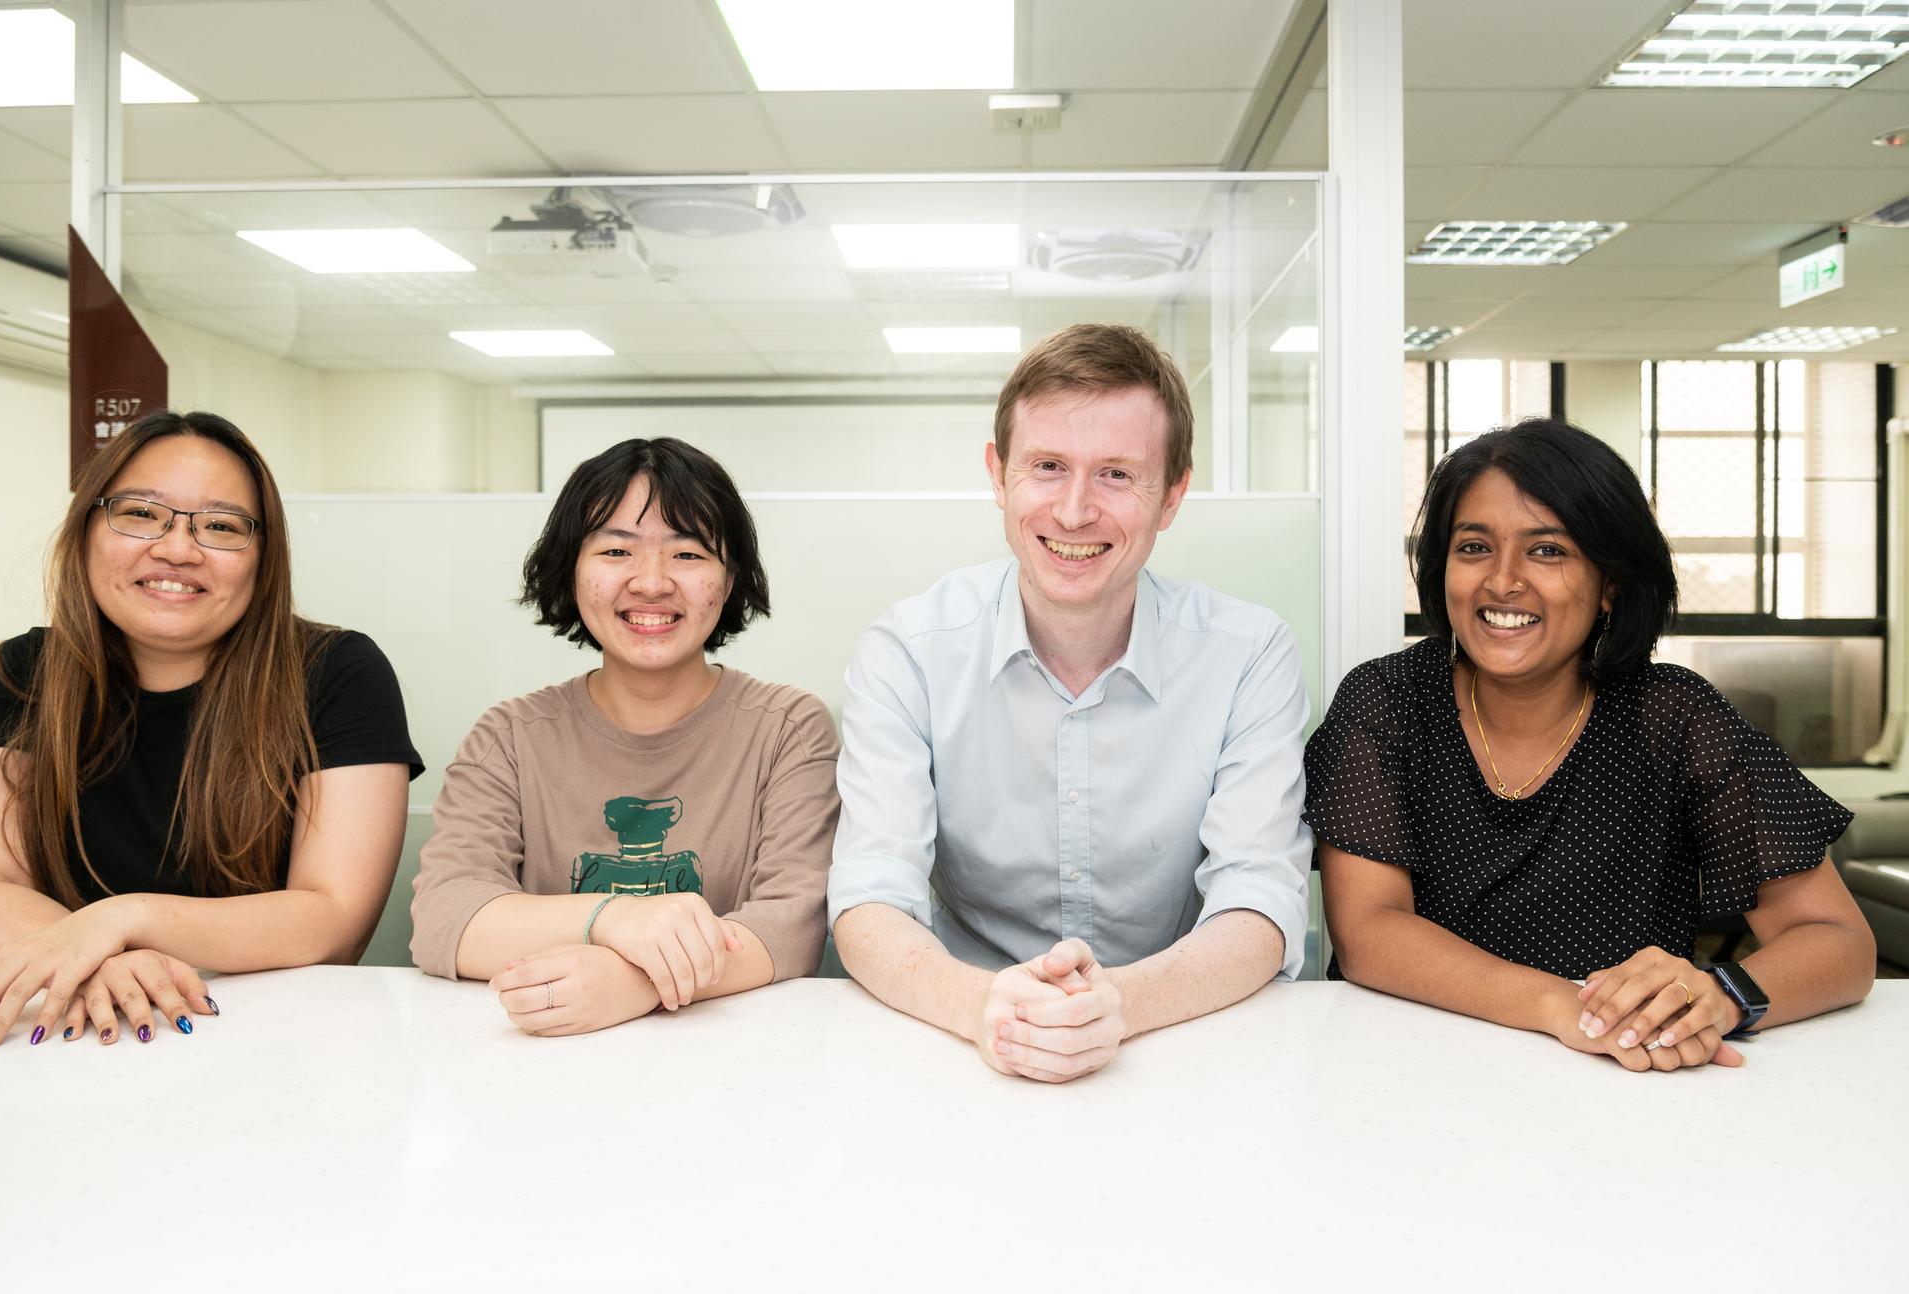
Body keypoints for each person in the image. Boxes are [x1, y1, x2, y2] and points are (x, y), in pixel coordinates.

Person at [1304, 417, 1874, 1072]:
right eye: (1473, 548)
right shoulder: (1387, 700)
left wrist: (1719, 994)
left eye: (1546, 550)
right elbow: (1367, 933)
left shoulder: (1674, 718)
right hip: (1408, 1068)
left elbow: (1836, 941)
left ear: (1608, 583)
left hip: (1622, 1078)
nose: (1502, 581)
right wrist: (1561, 1007)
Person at [828, 324, 1312, 1084]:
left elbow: (1259, 898)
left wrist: (1116, 1003)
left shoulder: (1248, 654)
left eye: (1117, 474)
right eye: (1047, 467)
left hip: (1182, 1040)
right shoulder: (909, 651)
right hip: (958, 1037)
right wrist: (987, 1006)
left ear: (1173, 495)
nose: (1076, 510)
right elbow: (869, 896)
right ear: (998, 475)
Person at [0, 411, 421, 1055]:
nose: (177, 549)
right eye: (139, 513)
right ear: (85, 530)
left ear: (264, 557)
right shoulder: (22, 672)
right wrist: (96, 958)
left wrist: (121, 921)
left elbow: (331, 918)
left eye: (221, 526)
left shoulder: (338, 672)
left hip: (265, 1039)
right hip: (70, 1033)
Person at [410, 437, 837, 1035]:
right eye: (616, 550)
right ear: (571, 568)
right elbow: (445, 919)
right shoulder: (508, 737)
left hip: (731, 1061)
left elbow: (790, 929)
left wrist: (635, 983)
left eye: (688, 555)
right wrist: (612, 920)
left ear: (731, 576)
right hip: (539, 1062)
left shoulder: (788, 730)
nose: (652, 582)